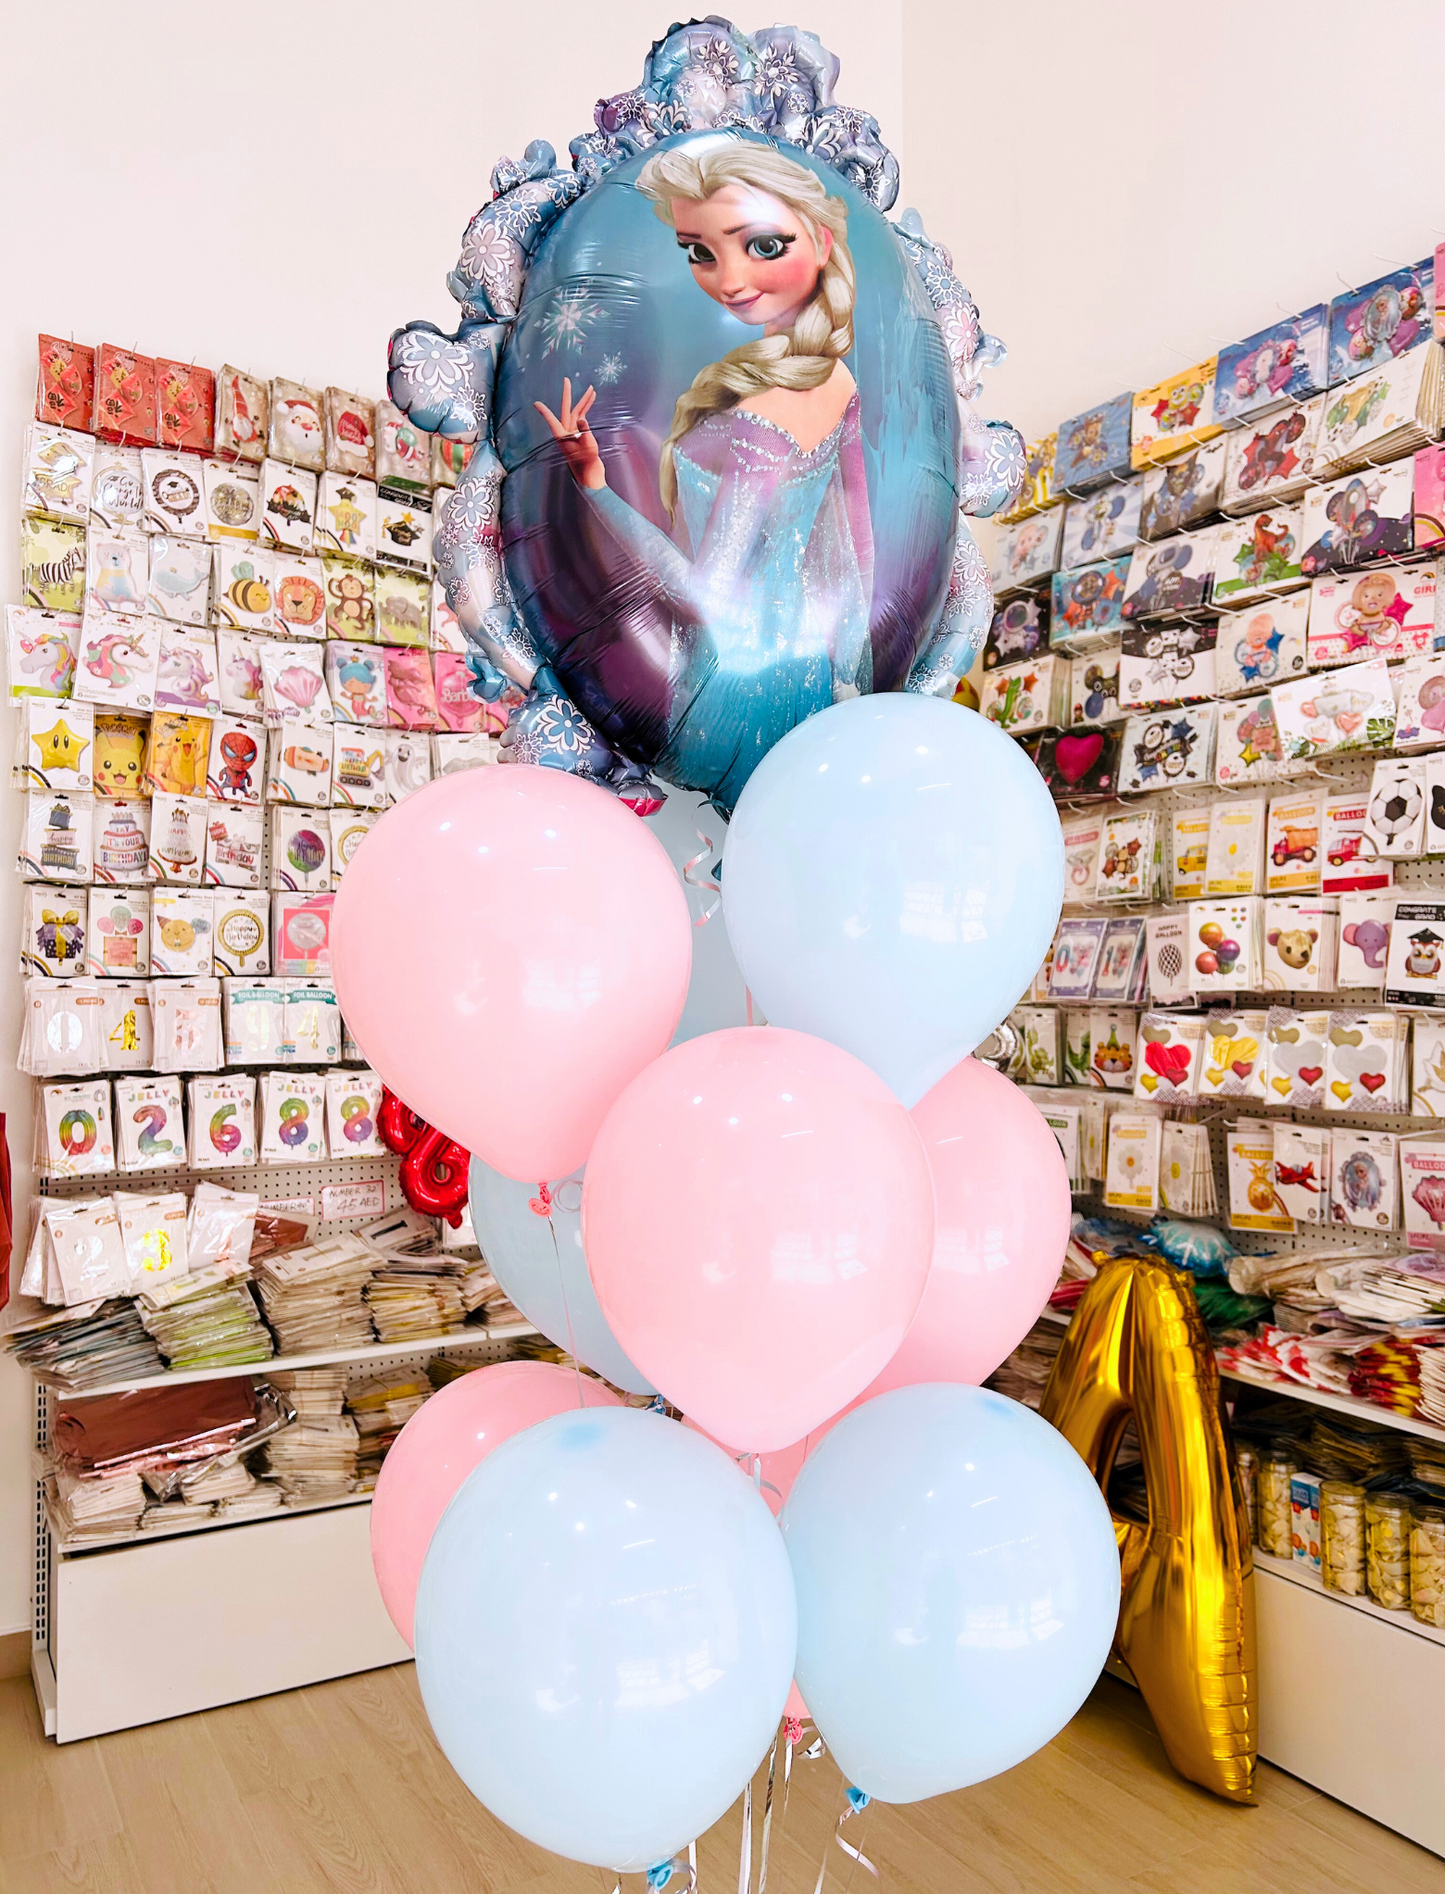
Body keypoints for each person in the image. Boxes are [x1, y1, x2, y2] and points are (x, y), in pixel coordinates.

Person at [535, 139, 874, 809]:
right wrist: (843, 681)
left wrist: (596, 489)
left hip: (732, 692)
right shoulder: (837, 381)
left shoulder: (764, 413)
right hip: (803, 678)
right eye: (700, 252)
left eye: (762, 246)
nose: (730, 280)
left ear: (824, 238)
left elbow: (704, 594)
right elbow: (849, 550)